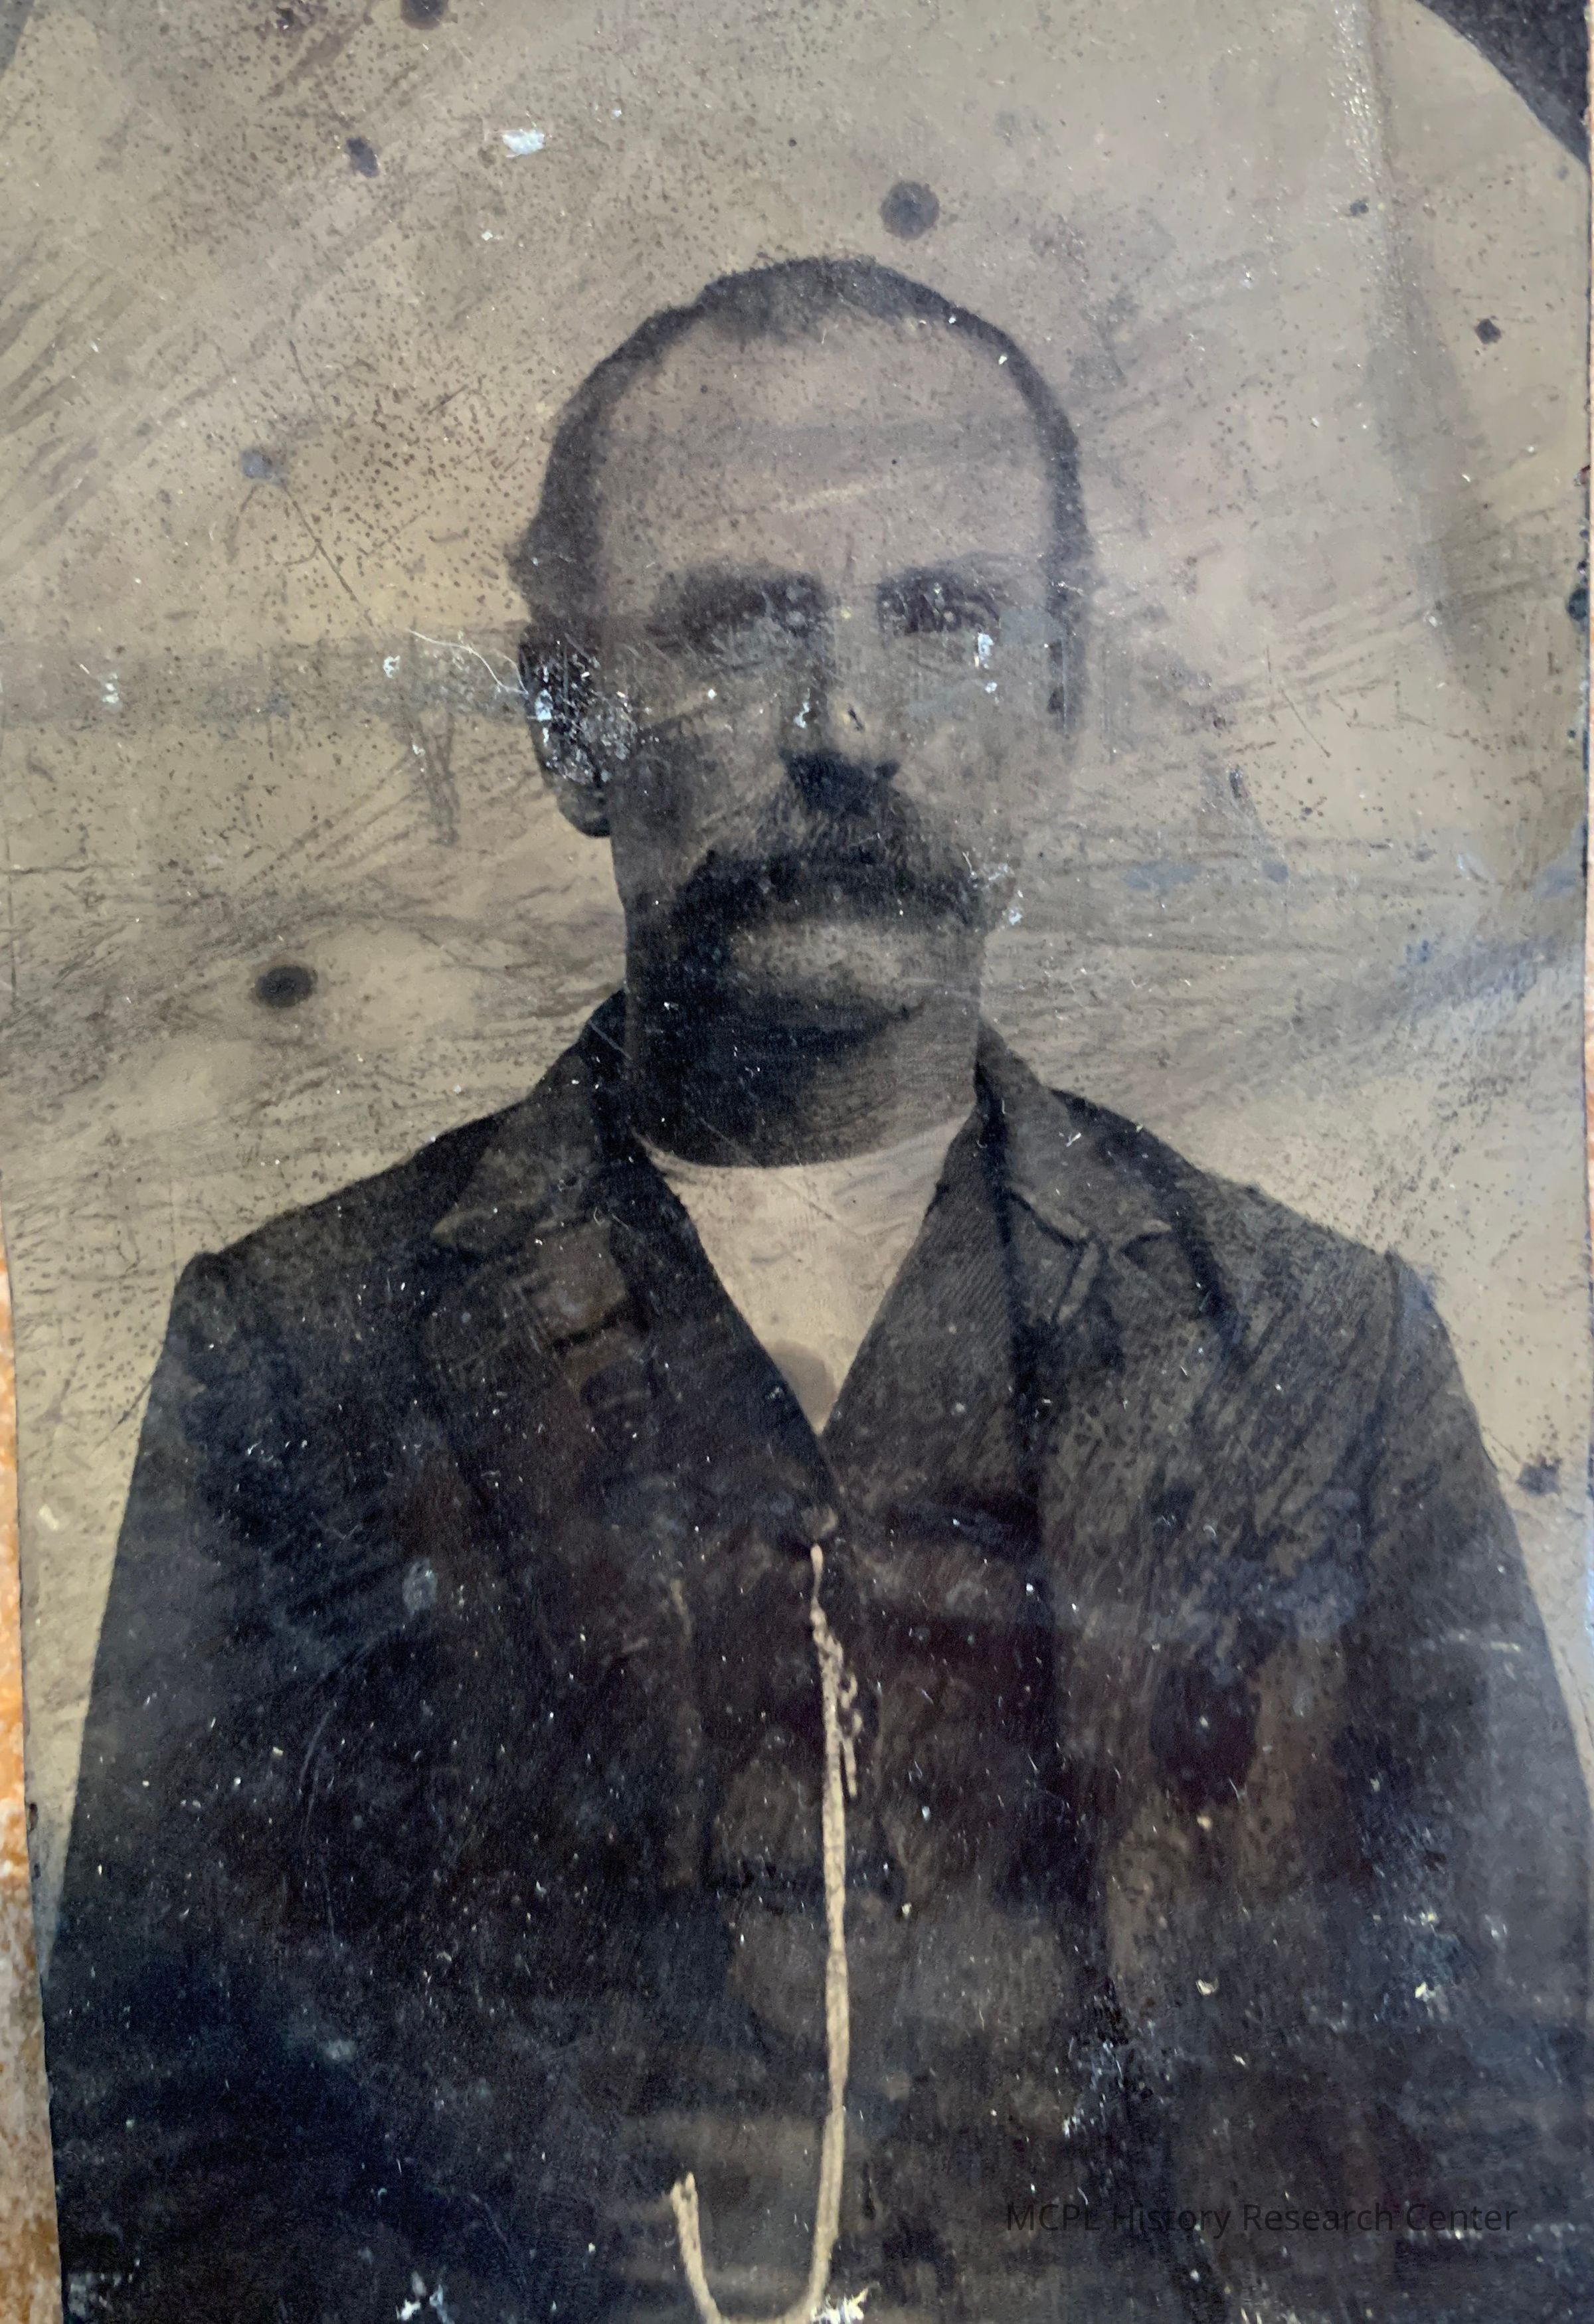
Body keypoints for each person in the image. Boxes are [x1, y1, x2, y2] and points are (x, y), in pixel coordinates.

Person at [45, 258, 1589, 2324]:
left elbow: (1516, 2140)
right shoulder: (298, 1355)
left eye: (945, 620)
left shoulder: (1326, 1354)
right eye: (736, 625)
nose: (847, 731)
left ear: (1059, 706)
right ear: (567, 720)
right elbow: (175, 2150)